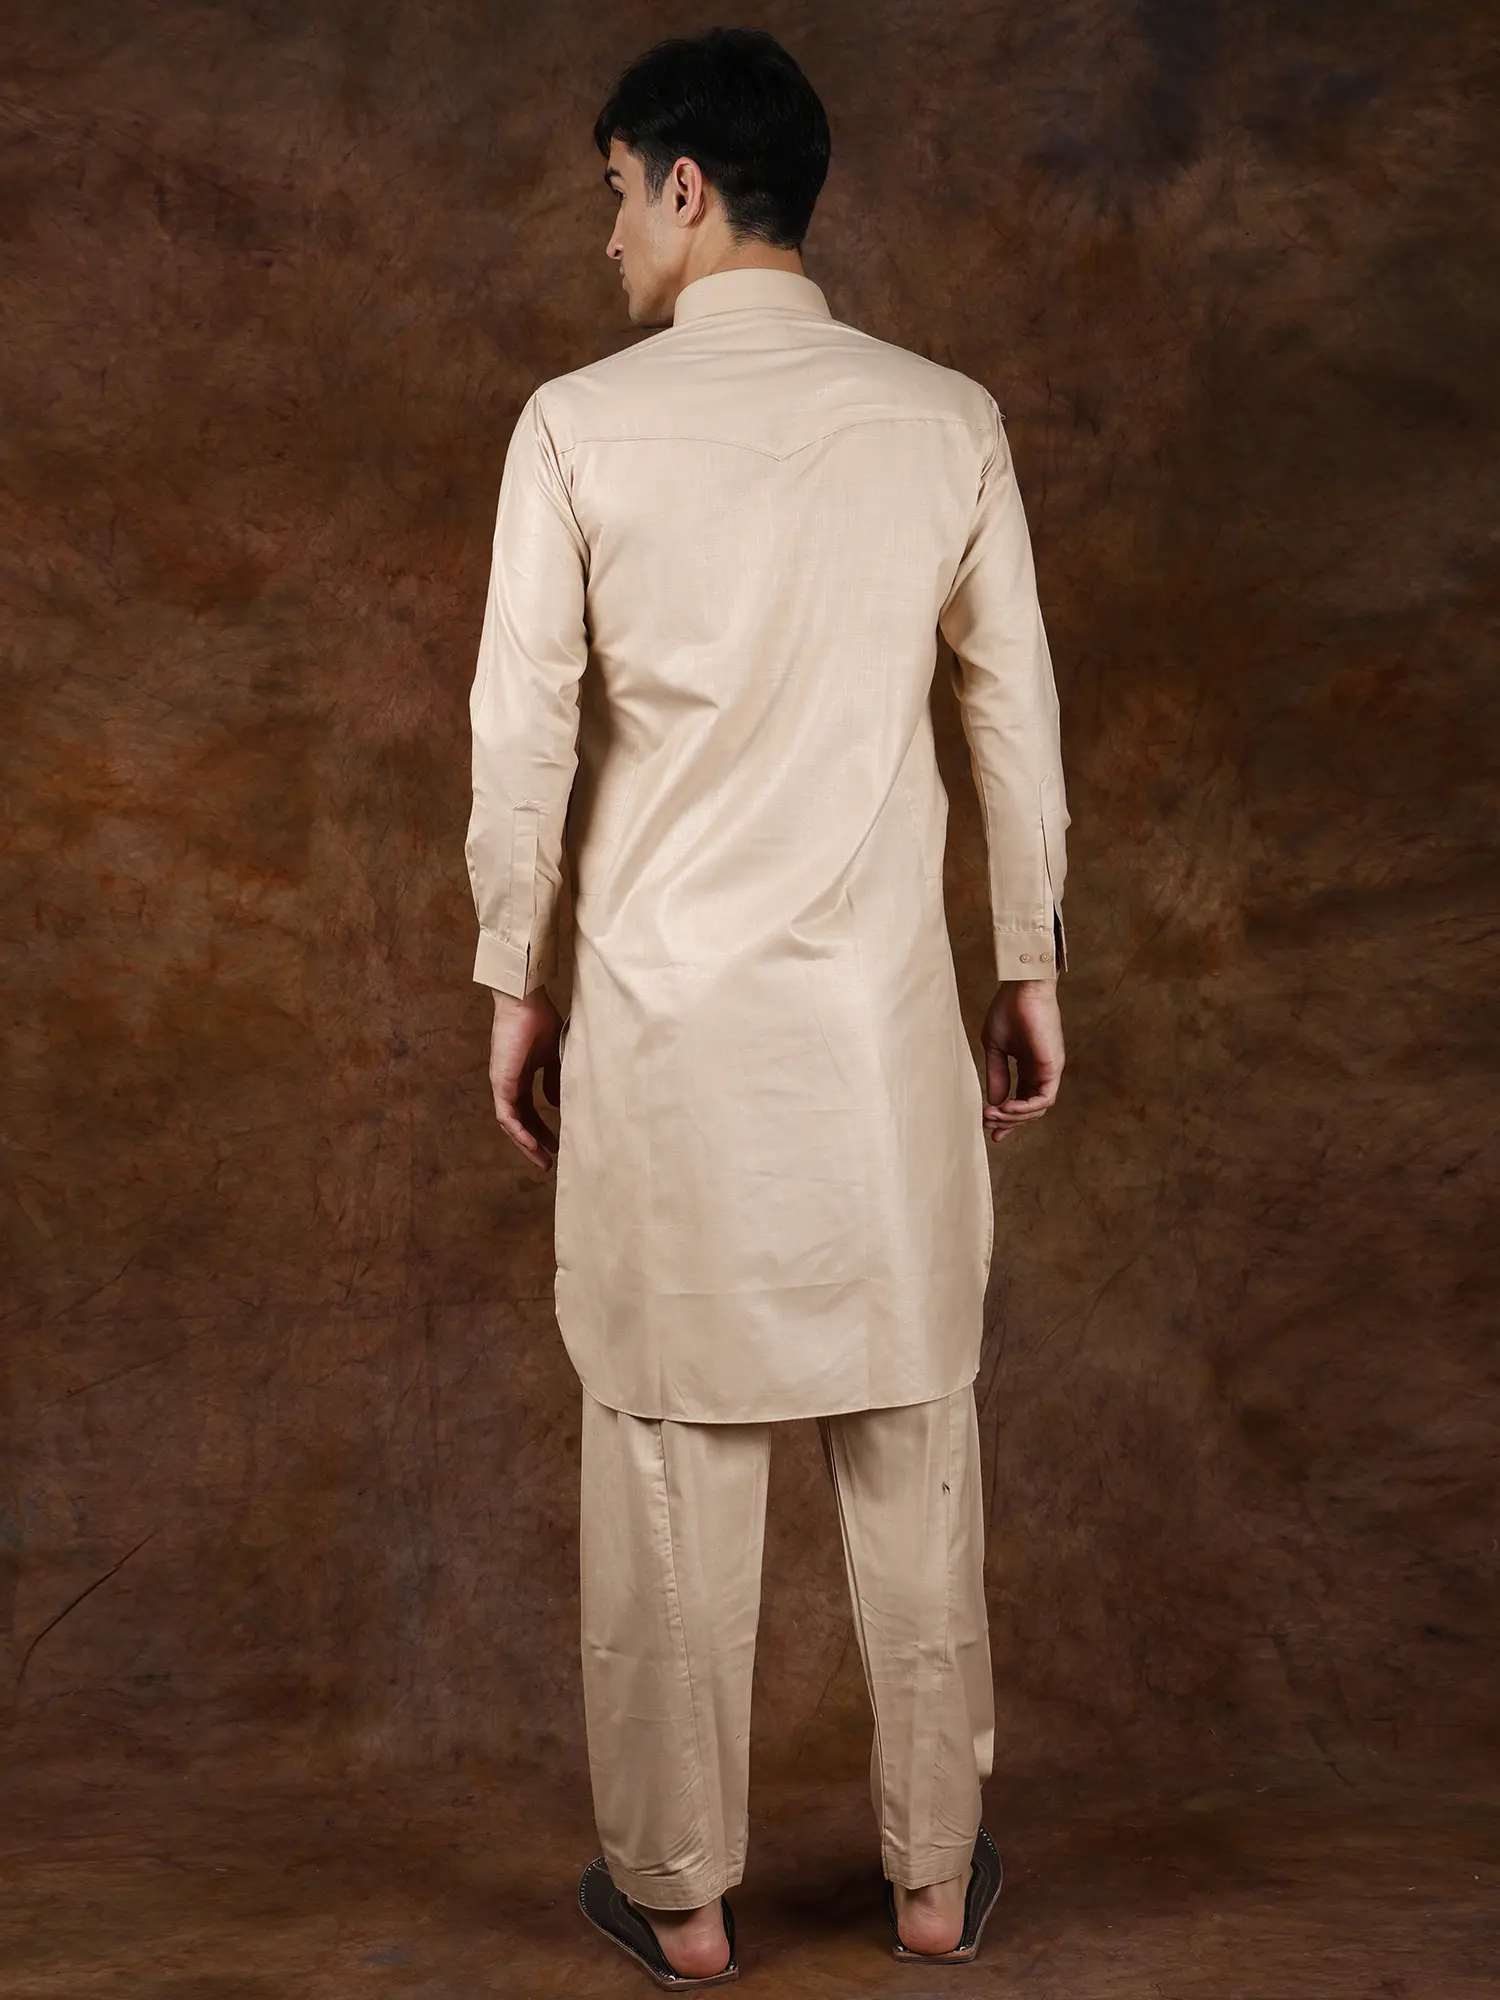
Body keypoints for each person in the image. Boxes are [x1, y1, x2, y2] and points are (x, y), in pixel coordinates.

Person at [464, 26, 1069, 1988]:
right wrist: (1030, 959)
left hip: (662, 1029)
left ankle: (684, 1900)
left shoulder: (577, 427)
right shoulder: (946, 420)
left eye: (613, 196)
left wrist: (512, 976)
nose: (606, 239)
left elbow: (521, 736)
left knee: (665, 1449)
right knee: (915, 1429)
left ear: (686, 186)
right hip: (877, 1032)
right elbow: (1013, 719)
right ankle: (931, 1881)